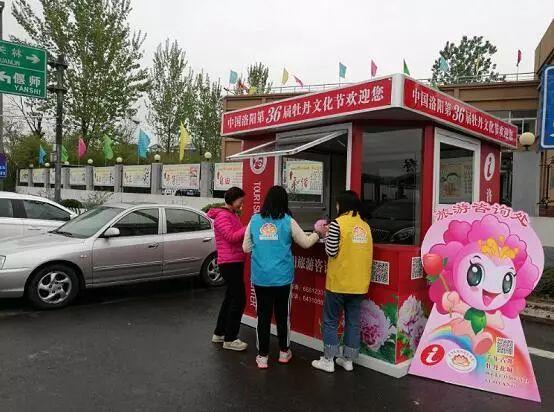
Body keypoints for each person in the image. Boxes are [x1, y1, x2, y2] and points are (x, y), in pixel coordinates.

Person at [243, 186, 326, 369]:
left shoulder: (254, 219)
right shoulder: (288, 221)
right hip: (282, 278)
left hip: (261, 278)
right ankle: (283, 352)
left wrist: (263, 247)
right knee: (282, 316)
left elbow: (246, 248)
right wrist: (318, 234)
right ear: (284, 202)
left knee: (262, 317)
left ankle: (263, 357)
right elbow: (305, 243)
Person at [312, 190, 373, 373]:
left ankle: (329, 359)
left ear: (342, 205)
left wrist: (324, 235)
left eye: (338, 204)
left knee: (330, 320)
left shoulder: (338, 224)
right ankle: (348, 360)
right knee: (353, 322)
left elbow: (331, 251)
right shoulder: (365, 226)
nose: (336, 207)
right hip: (359, 283)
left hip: (339, 282)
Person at [208, 187, 248, 352]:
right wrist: (249, 227)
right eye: (240, 201)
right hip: (229, 263)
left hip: (234, 261)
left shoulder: (231, 215)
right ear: (233, 199)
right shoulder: (223, 216)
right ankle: (230, 338)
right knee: (239, 300)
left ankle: (220, 333)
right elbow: (232, 237)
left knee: (230, 299)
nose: (242, 204)